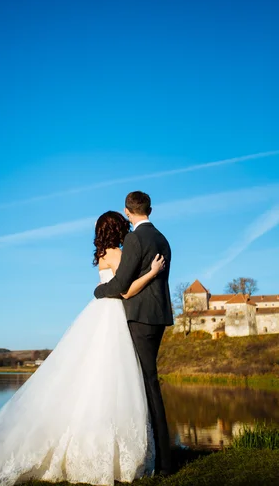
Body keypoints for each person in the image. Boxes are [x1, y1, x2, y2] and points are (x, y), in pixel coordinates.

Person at [0, 211, 165, 486]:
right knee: (109, 379)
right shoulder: (117, 254)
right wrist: (152, 273)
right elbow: (125, 291)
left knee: (89, 377)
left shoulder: (103, 254)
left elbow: (107, 287)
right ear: (118, 228)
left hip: (99, 313)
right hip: (113, 316)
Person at [94, 192, 173, 477]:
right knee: (142, 384)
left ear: (128, 211)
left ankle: (163, 463)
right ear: (150, 208)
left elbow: (121, 285)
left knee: (148, 385)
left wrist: (98, 291)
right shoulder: (162, 238)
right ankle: (151, 452)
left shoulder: (133, 240)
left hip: (139, 317)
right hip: (159, 316)